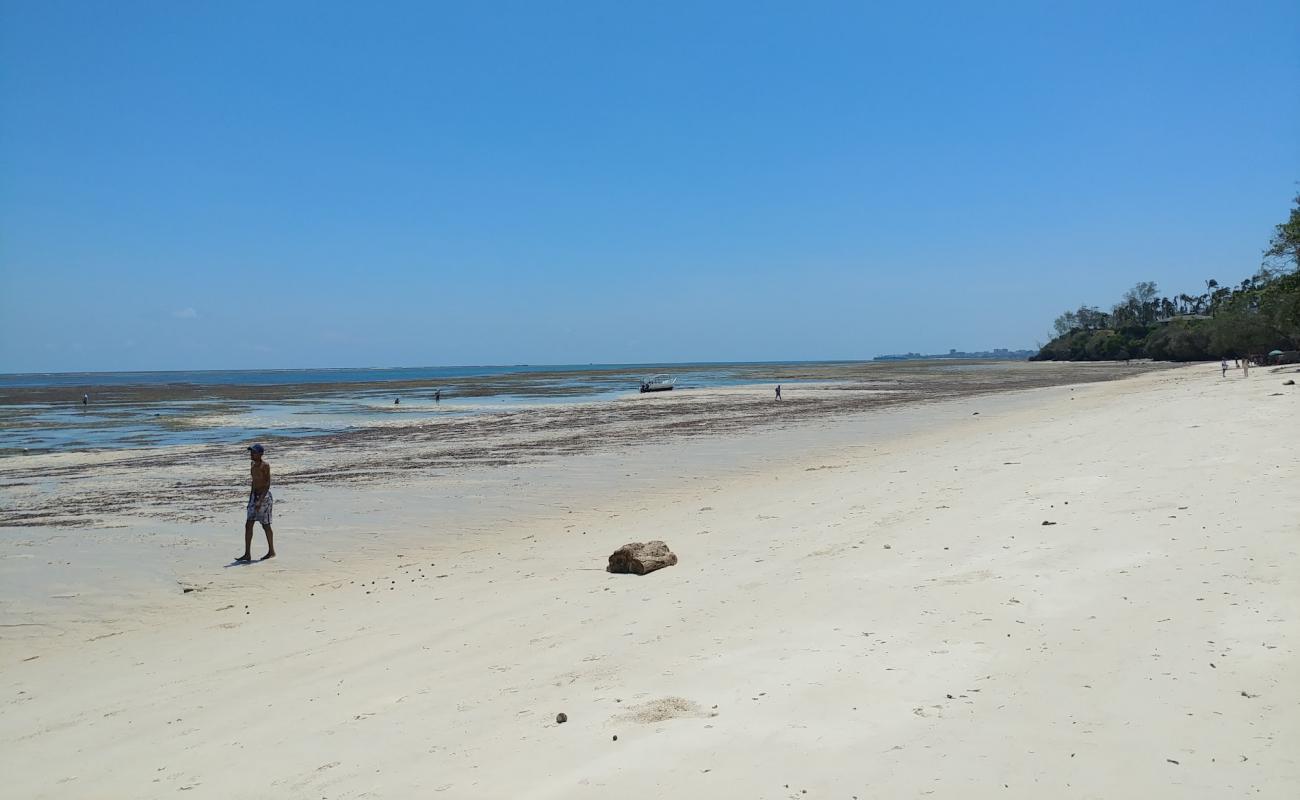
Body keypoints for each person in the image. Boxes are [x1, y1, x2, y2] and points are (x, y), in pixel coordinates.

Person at [236, 444, 275, 562]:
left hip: (264, 497)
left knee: (265, 525)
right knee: (248, 524)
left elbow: (267, 484)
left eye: (254, 452)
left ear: (260, 454)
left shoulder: (265, 466)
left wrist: (260, 500)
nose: (251, 454)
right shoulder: (252, 465)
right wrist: (251, 498)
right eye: (251, 452)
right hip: (254, 496)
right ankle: (247, 554)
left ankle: (271, 551)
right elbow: (254, 481)